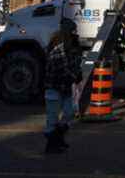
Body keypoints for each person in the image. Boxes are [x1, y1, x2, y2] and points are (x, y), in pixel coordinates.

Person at [43, 19, 82, 154]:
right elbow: (63, 68)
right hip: (54, 87)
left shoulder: (73, 46)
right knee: (52, 118)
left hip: (65, 88)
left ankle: (57, 139)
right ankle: (52, 143)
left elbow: (76, 64)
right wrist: (74, 77)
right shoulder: (58, 48)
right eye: (73, 31)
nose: (75, 33)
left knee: (69, 113)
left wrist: (78, 74)